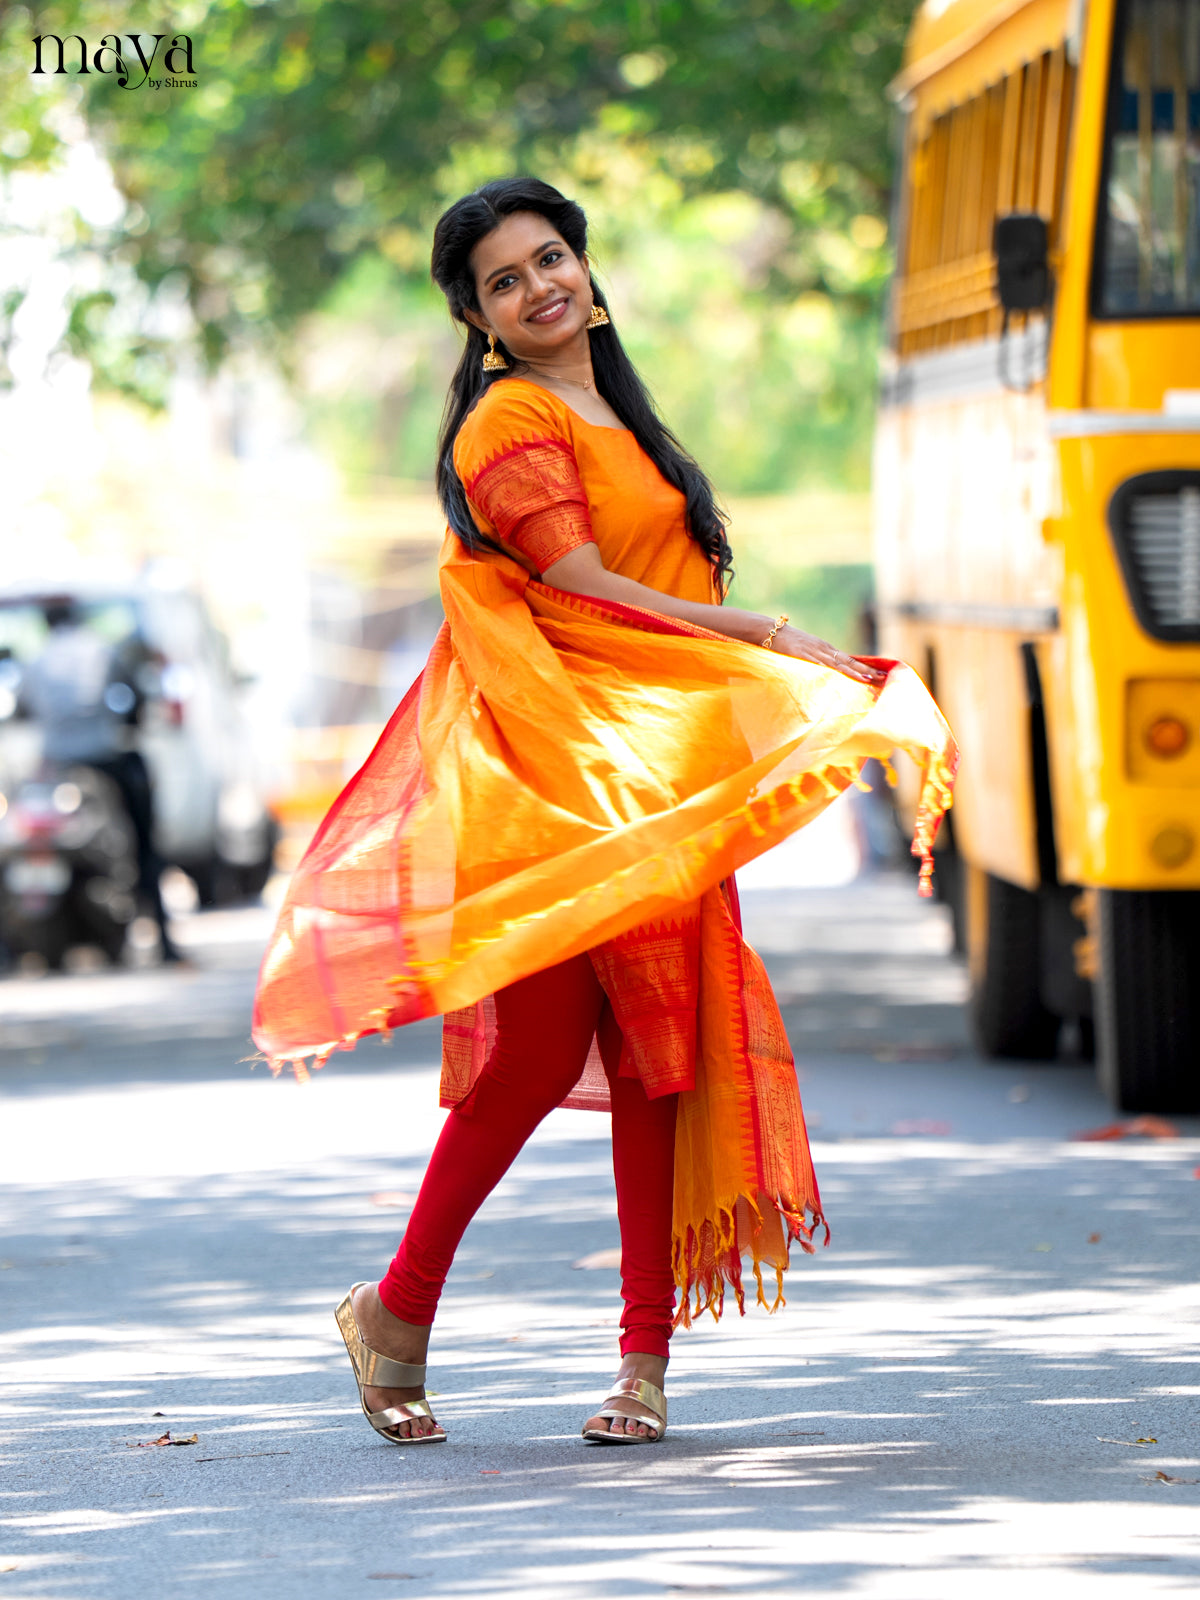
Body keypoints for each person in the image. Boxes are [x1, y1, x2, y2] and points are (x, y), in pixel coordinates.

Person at [253, 179, 957, 1447]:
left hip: (651, 788)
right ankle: (396, 1308)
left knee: (655, 1055)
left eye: (553, 258)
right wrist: (768, 636)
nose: (540, 287)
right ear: (479, 318)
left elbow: (646, 585)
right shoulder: (509, 424)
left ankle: (643, 1365)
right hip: (558, 786)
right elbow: (585, 593)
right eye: (506, 281)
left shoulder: (618, 419)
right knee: (529, 1052)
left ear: (589, 270)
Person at [20, 598, 183, 963]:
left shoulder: (35, 661)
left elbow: (22, 708)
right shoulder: (101, 649)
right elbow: (135, 698)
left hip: (56, 765)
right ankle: (165, 943)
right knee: (144, 845)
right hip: (106, 758)